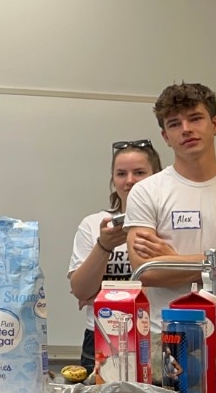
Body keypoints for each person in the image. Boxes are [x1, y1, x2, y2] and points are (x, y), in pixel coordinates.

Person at [126, 82, 216, 316]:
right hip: (165, 336)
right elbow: (146, 272)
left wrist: (174, 261)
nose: (186, 129)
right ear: (165, 136)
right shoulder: (146, 192)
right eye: (174, 124)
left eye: (195, 118)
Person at [67, 139, 163, 372]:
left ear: (157, 177)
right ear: (113, 180)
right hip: (102, 334)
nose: (129, 181)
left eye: (139, 172)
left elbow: (177, 285)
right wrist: (104, 246)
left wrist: (105, 293)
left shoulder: (168, 223)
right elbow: (81, 290)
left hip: (157, 335)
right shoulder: (94, 225)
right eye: (121, 173)